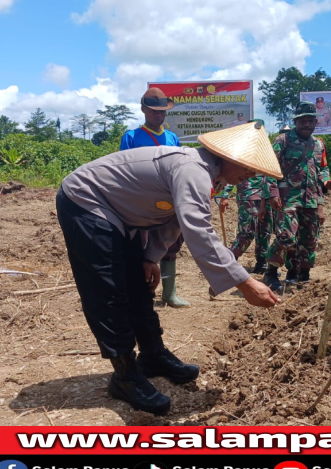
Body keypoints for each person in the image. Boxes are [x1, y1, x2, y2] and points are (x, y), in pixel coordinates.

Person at [56, 120, 282, 415]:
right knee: (109, 290)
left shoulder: (209, 175)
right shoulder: (193, 170)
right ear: (229, 158)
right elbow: (198, 230)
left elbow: (175, 219)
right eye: (248, 168)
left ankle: (152, 356)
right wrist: (244, 282)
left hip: (118, 212)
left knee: (137, 284)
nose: (250, 175)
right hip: (85, 200)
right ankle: (124, 375)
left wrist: (150, 257)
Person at [120, 87, 190, 308]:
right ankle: (143, 293)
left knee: (170, 245)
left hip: (168, 202)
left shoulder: (172, 138)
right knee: (141, 248)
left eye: (162, 112)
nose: (158, 115)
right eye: (153, 112)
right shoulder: (131, 137)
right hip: (141, 202)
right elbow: (124, 169)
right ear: (143, 110)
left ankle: (169, 294)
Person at [262, 101, 331, 291]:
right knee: (286, 236)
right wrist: (272, 194)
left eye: (310, 121)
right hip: (287, 198)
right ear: (296, 122)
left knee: (309, 239)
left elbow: (323, 169)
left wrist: (326, 184)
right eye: (303, 121)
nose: (307, 124)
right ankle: (271, 272)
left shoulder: (319, 144)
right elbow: (270, 167)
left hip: (311, 199)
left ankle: (300, 274)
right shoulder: (283, 140)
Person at [219, 174, 272, 274]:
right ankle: (229, 261)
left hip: (266, 197)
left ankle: (261, 263)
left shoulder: (269, 159)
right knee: (247, 232)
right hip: (248, 195)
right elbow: (233, 172)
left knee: (264, 232)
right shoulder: (246, 157)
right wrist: (225, 195)